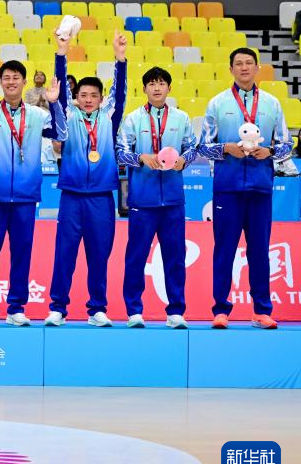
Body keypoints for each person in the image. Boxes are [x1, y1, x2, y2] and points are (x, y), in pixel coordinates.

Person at [0, 62, 66, 326]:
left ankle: (16, 307)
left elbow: (61, 133)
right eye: (6, 78)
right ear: (0, 83)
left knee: (21, 254)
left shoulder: (37, 115)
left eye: (16, 78)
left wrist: (54, 104)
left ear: (24, 82)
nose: (11, 82)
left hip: (25, 197)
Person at [199, 48, 293, 329]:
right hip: (227, 188)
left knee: (260, 251)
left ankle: (261, 311)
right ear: (231, 69)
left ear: (257, 68)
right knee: (224, 250)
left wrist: (270, 152)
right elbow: (203, 146)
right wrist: (226, 149)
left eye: (249, 63)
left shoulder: (272, 104)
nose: (243, 67)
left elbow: (287, 144)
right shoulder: (217, 103)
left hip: (260, 188)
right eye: (238, 63)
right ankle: (220, 310)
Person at [45, 29, 128, 327]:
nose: (89, 99)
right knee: (64, 254)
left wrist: (120, 58)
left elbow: (120, 92)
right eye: (83, 95)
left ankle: (97, 309)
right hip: (71, 197)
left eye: (94, 95)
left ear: (101, 99)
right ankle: (58, 307)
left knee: (99, 255)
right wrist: (61, 52)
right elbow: (60, 93)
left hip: (102, 198)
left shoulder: (109, 117)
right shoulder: (68, 116)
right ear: (76, 98)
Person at [116, 67, 199, 329]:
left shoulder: (182, 118)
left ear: (169, 88)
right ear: (144, 89)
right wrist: (140, 158)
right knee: (136, 257)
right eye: (151, 84)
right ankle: (134, 311)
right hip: (142, 201)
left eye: (161, 83)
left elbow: (193, 148)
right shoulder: (133, 119)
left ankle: (175, 311)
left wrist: (184, 160)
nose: (157, 88)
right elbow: (120, 152)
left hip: (173, 201)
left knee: (175, 257)